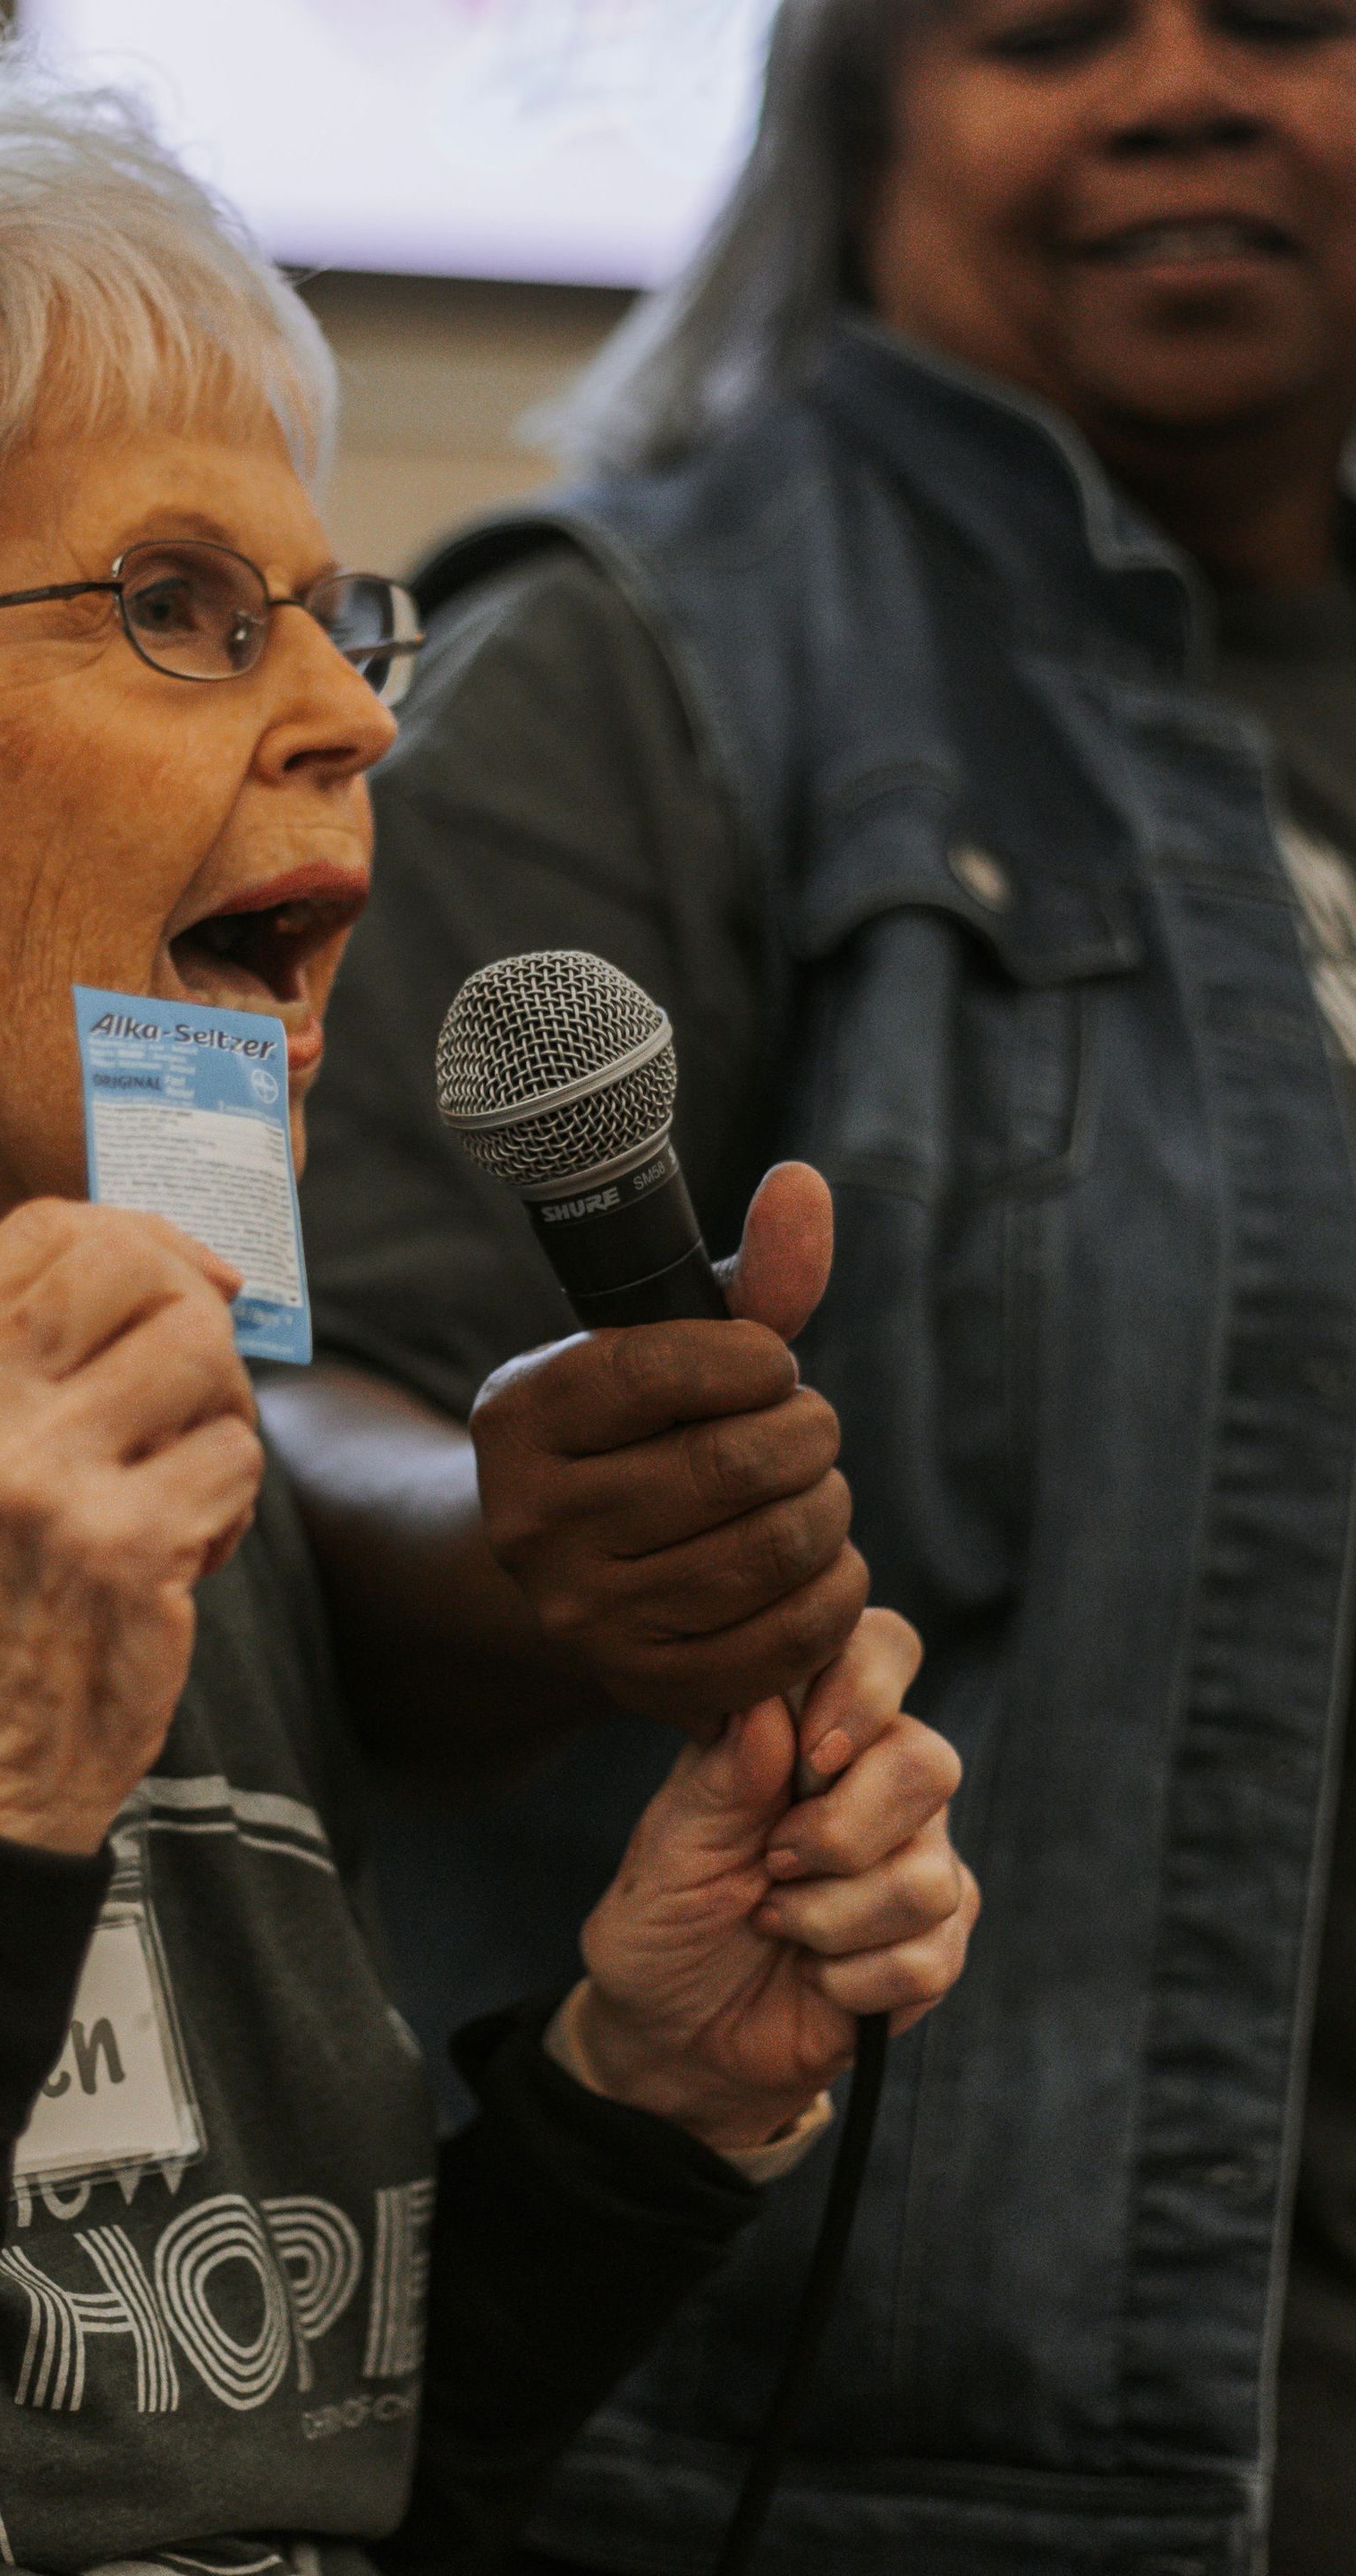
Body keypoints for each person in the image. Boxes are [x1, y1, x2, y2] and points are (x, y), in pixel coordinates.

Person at [0, 30, 979, 2576]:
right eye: (174, 607)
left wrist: (637, 2100)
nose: (365, 713)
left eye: (336, 615)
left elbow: (268, 2491)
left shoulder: (184, 1419)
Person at [284, 0, 1356, 2571]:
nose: (1183, 87)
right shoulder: (641, 657)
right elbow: (284, 1400)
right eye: (1051, 27)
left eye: (1292, 18)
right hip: (882, 2426)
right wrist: (528, 1527)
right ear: (859, 127)